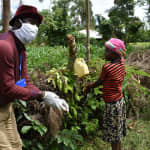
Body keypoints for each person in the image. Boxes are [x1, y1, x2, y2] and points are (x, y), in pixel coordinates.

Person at [0, 5, 69, 150]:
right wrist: (42, 94)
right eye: (30, 22)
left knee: (16, 145)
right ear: (17, 23)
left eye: (37, 24)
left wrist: (51, 97)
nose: (35, 28)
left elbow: (25, 81)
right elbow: (8, 88)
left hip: (6, 107)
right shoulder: (5, 46)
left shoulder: (20, 49)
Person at [85, 38, 126, 150]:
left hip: (112, 104)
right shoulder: (121, 64)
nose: (105, 53)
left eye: (107, 51)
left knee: (113, 135)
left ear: (114, 53)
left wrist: (89, 87)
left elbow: (99, 82)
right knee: (117, 133)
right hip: (120, 102)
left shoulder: (107, 67)